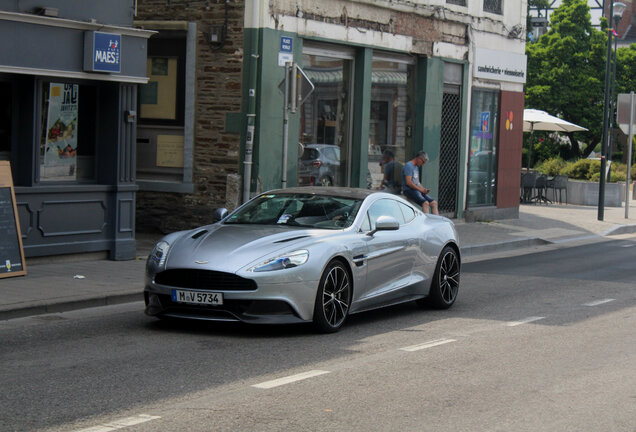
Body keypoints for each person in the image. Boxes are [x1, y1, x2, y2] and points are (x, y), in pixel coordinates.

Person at [402, 150, 439, 215]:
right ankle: (426, 224)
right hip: (409, 190)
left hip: (416, 189)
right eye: (423, 162)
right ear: (419, 159)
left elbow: (417, 182)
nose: (423, 164)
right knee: (425, 203)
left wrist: (423, 189)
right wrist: (420, 190)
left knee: (434, 203)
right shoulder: (409, 166)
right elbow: (408, 182)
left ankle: (437, 223)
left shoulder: (416, 167)